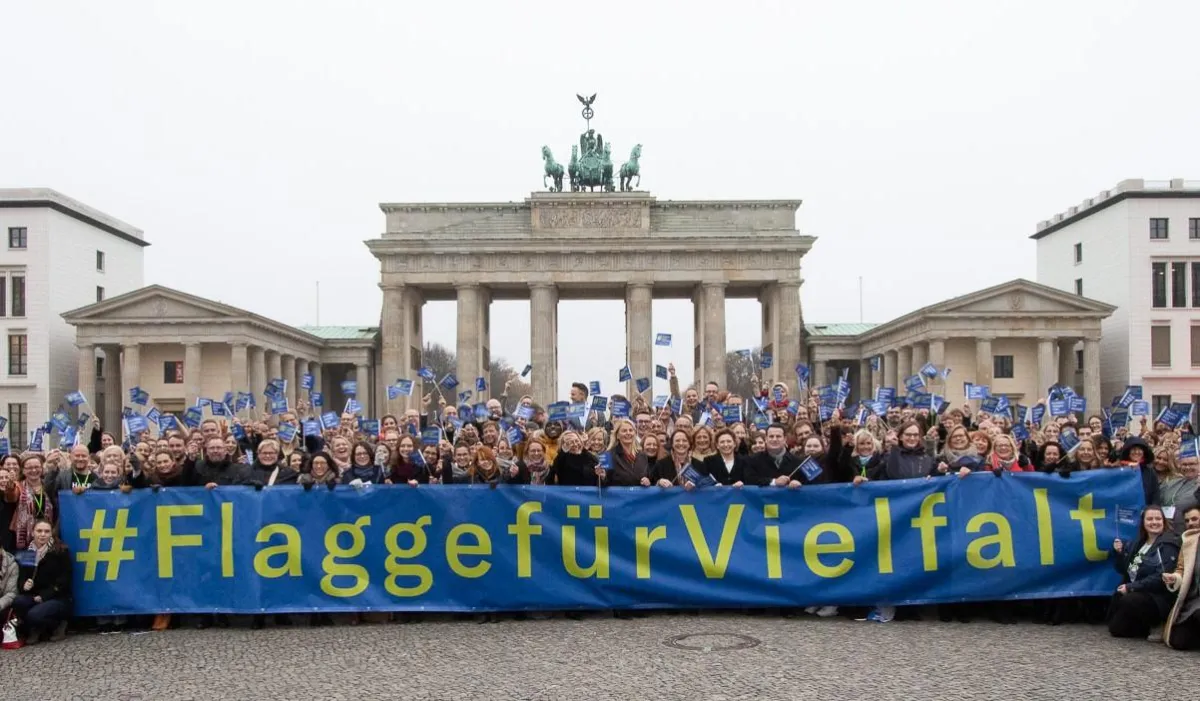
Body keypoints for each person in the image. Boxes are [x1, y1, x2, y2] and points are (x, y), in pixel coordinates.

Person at [1108, 506, 1180, 641]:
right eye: (1150, 519)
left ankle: (1159, 624)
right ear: (1143, 522)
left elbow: (1161, 577)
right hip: (1140, 592)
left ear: (1163, 521)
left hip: (1158, 597)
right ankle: (1144, 625)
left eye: (1158, 519)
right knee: (1116, 628)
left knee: (1128, 599)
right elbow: (1124, 570)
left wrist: (1131, 587)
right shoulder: (1139, 543)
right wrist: (1119, 554)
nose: (1154, 522)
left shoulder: (1168, 544)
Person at [12, 520, 72, 644]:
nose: (43, 534)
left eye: (46, 531)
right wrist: (24, 586)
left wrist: (44, 596)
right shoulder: (27, 552)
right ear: (33, 532)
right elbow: (21, 578)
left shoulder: (60, 551)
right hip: (33, 595)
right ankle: (36, 628)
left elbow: (65, 579)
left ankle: (58, 625)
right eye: (39, 531)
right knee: (18, 602)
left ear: (51, 534)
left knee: (34, 615)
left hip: (57, 597)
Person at [1163, 505, 1200, 649]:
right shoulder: (1188, 541)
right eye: (1187, 520)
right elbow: (1181, 569)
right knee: (1178, 642)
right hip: (1193, 600)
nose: (1191, 523)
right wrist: (1174, 578)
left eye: (1195, 519)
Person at [4, 455, 56, 551]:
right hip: (24, 538)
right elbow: (11, 497)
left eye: (37, 467)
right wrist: (10, 485)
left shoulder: (49, 486)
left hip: (46, 534)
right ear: (23, 470)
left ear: (42, 469)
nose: (33, 470)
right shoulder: (18, 486)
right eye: (29, 468)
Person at [736, 424, 803, 488]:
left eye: (778, 436)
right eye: (771, 436)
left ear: (785, 439)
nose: (774, 439)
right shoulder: (752, 461)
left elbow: (805, 482)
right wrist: (774, 482)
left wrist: (798, 483)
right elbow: (749, 481)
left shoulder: (798, 462)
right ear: (766, 439)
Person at [608, 418, 650, 487]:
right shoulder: (610, 455)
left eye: (631, 430)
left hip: (639, 494)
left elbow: (648, 476)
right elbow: (603, 482)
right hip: (619, 494)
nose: (628, 433)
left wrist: (647, 480)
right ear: (617, 435)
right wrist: (602, 476)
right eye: (624, 431)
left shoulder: (642, 455)